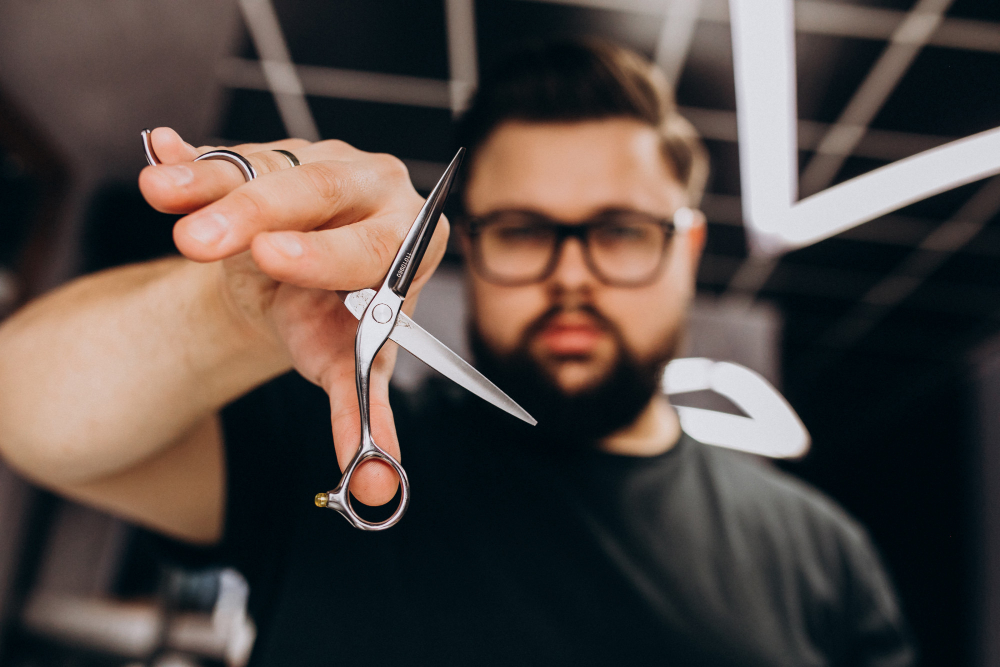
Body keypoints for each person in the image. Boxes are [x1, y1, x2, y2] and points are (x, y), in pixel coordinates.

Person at [0, 40, 913, 665]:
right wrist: (239, 309)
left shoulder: (824, 555)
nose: (571, 276)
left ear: (686, 252)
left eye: (621, 230)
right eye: (524, 229)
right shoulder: (344, 438)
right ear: (471, 244)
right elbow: (25, 409)